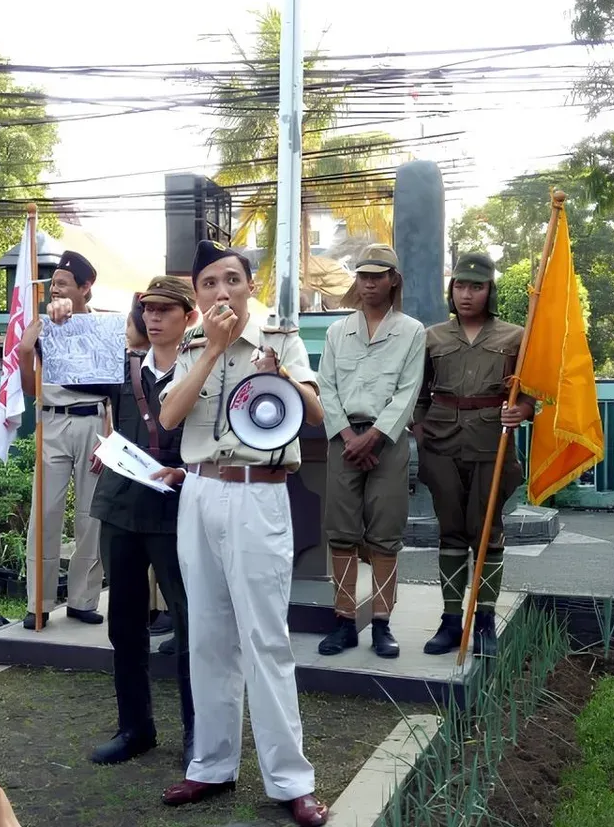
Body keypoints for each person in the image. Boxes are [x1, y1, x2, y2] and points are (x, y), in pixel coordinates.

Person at [155, 240, 329, 827]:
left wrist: (279, 373)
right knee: (205, 633)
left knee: (266, 639)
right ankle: (210, 765)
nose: (220, 291)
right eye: (208, 283)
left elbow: (316, 414)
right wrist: (212, 353)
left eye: (231, 280)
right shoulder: (192, 346)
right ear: (198, 292)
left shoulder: (281, 339)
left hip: (260, 492)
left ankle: (290, 781)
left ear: (248, 286)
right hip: (201, 492)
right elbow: (170, 418)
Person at [52, 276, 198, 771]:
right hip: (121, 503)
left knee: (189, 622)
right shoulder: (122, 365)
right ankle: (135, 727)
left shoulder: (203, 368)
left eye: (166, 310)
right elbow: (55, 358)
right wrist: (59, 321)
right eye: (149, 309)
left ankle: (199, 734)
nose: (154, 317)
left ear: (188, 318)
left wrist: (189, 471)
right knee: (125, 623)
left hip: (177, 506)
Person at [412, 252, 535, 659]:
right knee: (449, 532)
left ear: (490, 291)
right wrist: (420, 428)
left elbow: (533, 391)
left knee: (486, 532)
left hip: (491, 443)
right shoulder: (432, 337)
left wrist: (524, 409)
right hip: (441, 444)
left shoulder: (516, 337)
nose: (466, 294)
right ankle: (451, 620)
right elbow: (417, 392)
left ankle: (484, 620)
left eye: (476, 287)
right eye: (460, 286)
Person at [315, 245, 427, 659]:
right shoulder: (336, 331)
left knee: (385, 533)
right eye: (363, 275)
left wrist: (374, 437)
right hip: (343, 441)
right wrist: (348, 437)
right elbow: (326, 386)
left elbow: (408, 391)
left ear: (393, 280)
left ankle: (382, 624)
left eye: (378, 276)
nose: (369, 283)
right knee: (341, 532)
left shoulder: (412, 331)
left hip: (388, 442)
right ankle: (344, 622)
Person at [17, 250, 107, 629]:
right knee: (44, 513)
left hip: (94, 421)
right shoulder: (41, 327)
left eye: (64, 284)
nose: (55, 289)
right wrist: (25, 352)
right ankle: (38, 601)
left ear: (86, 288)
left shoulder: (104, 327)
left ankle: (83, 599)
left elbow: (114, 388)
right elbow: (29, 389)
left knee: (91, 515)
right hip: (52, 421)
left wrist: (111, 438)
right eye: (53, 284)